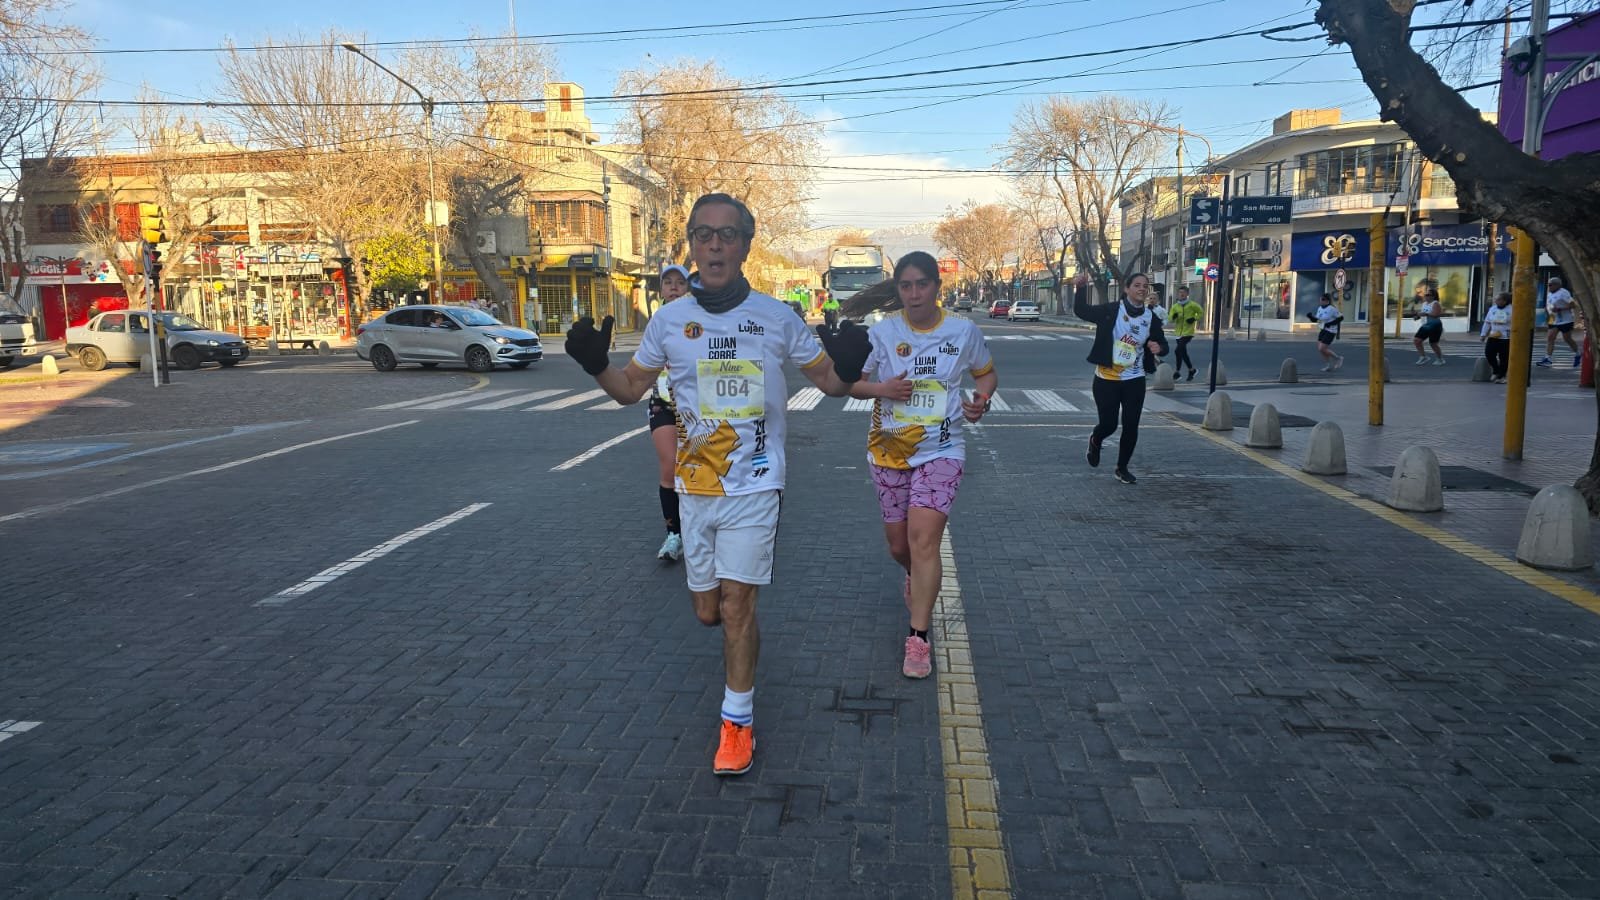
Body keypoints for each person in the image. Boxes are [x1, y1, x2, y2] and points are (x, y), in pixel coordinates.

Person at [563, 193, 867, 777]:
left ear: (746, 245)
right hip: (695, 488)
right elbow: (630, 390)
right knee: (708, 612)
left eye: (728, 234)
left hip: (756, 485)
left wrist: (849, 367)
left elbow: (830, 382)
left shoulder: (777, 316)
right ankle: (738, 642)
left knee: (737, 605)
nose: (715, 244)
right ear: (693, 245)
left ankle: (737, 721)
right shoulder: (669, 320)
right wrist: (596, 365)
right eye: (703, 234)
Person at [847, 251, 996, 679]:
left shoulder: (962, 331)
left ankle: (919, 637)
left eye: (922, 284)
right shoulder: (883, 333)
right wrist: (883, 389)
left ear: (937, 286)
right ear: (898, 290)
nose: (914, 294)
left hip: (942, 450)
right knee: (901, 547)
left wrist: (982, 400)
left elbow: (986, 374)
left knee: (924, 540)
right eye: (906, 286)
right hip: (889, 451)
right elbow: (851, 384)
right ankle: (915, 574)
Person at [1074, 270, 1167, 485]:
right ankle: (1096, 440)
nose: (1142, 289)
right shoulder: (1111, 310)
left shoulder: (1150, 317)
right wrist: (1080, 288)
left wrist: (1159, 347)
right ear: (1127, 289)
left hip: (1135, 378)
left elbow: (1162, 343)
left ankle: (1122, 468)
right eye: (1137, 285)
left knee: (1131, 425)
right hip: (1107, 378)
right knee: (1109, 424)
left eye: (1145, 286)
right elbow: (1082, 311)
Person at [649, 263, 691, 562]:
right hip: (662, 402)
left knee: (697, 468)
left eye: (680, 282)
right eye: (668, 282)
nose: (674, 287)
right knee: (670, 467)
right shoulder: (656, 323)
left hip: (695, 405)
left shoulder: (700, 320)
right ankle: (673, 535)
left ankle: (697, 527)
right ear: (662, 290)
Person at [1538, 276, 1580, 367]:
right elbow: (1549, 305)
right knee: (1550, 337)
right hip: (1553, 319)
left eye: (1551, 285)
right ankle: (1547, 358)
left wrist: (1560, 309)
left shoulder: (1563, 293)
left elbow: (1573, 305)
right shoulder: (1549, 293)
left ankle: (1578, 353)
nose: (1549, 287)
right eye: (1548, 285)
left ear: (1558, 285)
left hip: (1565, 320)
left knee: (1567, 339)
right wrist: (1547, 315)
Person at [1167, 286, 1203, 381]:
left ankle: (1177, 372)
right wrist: (1174, 317)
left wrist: (1194, 318)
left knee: (1177, 350)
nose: (1181, 294)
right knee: (1182, 352)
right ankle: (1191, 370)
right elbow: (1170, 319)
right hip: (1178, 333)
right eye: (1180, 292)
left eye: (1183, 292)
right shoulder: (1175, 306)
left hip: (1188, 332)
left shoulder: (1192, 305)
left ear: (1187, 294)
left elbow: (1200, 312)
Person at [1306, 293, 1344, 372]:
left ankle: (1338, 358)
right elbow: (1317, 320)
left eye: (1323, 299)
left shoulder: (1332, 309)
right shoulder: (1320, 308)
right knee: (1321, 349)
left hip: (1331, 331)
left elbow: (1341, 318)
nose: (1321, 301)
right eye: (1320, 299)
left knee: (1322, 348)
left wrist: (1330, 324)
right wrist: (1310, 317)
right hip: (1323, 329)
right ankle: (1328, 365)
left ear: (1327, 301)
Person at [1481, 291, 1512, 384]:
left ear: (1504, 301)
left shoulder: (1512, 310)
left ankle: (1502, 376)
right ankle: (1496, 370)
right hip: (1493, 335)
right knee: (1489, 353)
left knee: (1504, 357)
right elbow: (1487, 322)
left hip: (1506, 337)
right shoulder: (1492, 309)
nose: (1496, 301)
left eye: (1498, 299)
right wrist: (1483, 334)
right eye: (1496, 299)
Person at [1412, 289, 1445, 365]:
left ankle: (1440, 359)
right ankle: (1423, 357)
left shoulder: (1435, 303)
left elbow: (1436, 314)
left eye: (1428, 295)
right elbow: (1423, 313)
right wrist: (1417, 317)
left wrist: (1425, 314)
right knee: (1417, 340)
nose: (1426, 296)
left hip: (1435, 325)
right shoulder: (1424, 304)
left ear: (1433, 296)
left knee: (1433, 343)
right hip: (1425, 325)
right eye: (1425, 295)